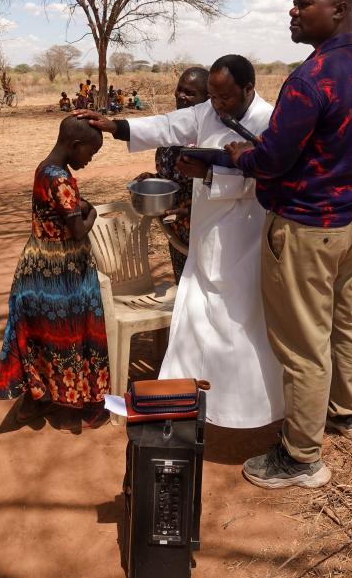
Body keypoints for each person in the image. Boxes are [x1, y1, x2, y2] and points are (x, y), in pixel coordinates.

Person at [226, 0, 352, 488]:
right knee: (347, 319)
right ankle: (347, 414)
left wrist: (240, 156)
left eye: (303, 4)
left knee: (303, 345)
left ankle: (300, 457)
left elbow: (271, 160)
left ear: (338, 9)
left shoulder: (309, 78)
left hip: (306, 230)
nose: (292, 12)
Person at [77, 55, 284, 429]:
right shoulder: (208, 112)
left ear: (248, 89)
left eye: (224, 98)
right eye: (212, 97)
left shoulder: (269, 122)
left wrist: (209, 174)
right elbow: (168, 125)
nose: (216, 106)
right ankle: (189, 400)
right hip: (207, 235)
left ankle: (245, 411)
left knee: (239, 323)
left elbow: (266, 181)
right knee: (193, 316)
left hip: (244, 236)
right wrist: (115, 125)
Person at [0, 116, 110, 425]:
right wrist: (94, 212)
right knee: (75, 330)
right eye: (90, 153)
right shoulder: (61, 179)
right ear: (75, 146)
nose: (89, 160)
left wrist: (78, 203)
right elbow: (77, 230)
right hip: (63, 270)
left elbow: (60, 206)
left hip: (36, 265)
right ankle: (85, 401)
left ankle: (39, 395)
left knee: (38, 333)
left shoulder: (45, 169)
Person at [152, 67, 208, 283]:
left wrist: (190, 209)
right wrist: (151, 178)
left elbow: (222, 182)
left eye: (190, 93)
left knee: (202, 288)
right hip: (175, 226)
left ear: (207, 99)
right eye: (180, 90)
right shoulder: (171, 128)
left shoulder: (209, 136)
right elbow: (168, 174)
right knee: (183, 284)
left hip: (200, 225)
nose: (181, 96)